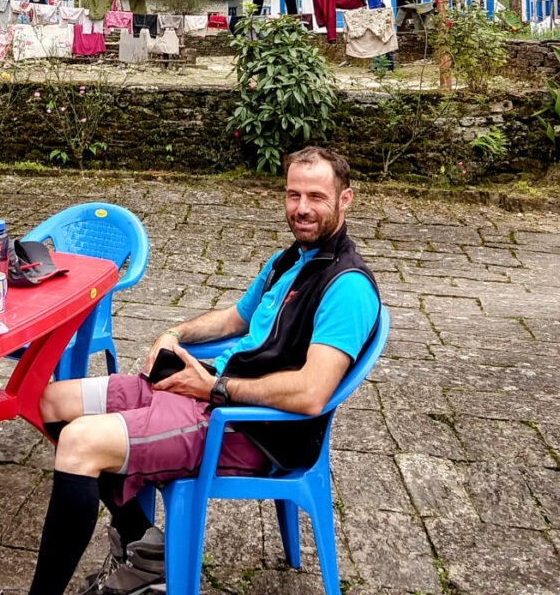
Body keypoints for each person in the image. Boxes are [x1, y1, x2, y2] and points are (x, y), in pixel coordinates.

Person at [26, 147, 382, 595]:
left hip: (247, 430)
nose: (302, 209)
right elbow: (236, 318)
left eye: (316, 196)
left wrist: (214, 388)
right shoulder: (290, 260)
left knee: (80, 442)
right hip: (208, 392)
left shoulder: (347, 288)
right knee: (50, 402)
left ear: (345, 200)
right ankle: (145, 546)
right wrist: (175, 333)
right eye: (293, 195)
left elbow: (312, 393)